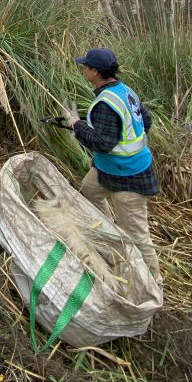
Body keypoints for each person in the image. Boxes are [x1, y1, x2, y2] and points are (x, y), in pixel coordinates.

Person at [63, 47, 162, 284]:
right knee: (88, 192)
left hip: (129, 176)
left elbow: (103, 143)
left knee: (137, 234)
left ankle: (153, 283)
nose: (83, 69)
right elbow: (145, 121)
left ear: (94, 72)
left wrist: (77, 126)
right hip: (107, 170)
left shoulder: (107, 103)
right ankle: (109, 234)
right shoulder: (125, 91)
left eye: (85, 66)